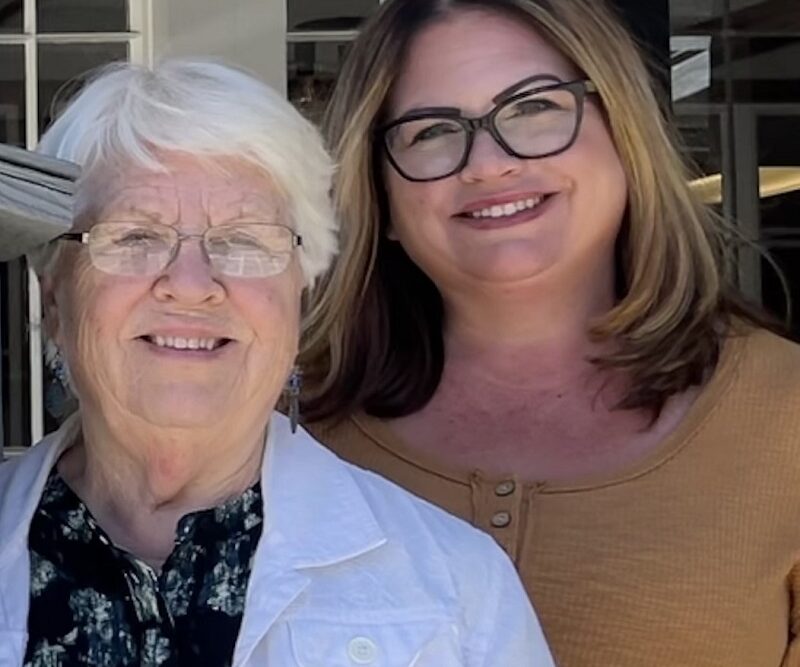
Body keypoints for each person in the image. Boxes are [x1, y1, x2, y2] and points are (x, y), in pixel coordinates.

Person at [0, 59, 553, 667]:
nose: (191, 285)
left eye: (243, 241)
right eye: (135, 237)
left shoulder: (457, 591)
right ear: (55, 296)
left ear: (300, 292)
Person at [301, 0, 800, 665]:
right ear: (381, 192)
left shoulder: (784, 414)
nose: (488, 163)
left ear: (625, 133)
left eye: (535, 107)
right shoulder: (284, 429)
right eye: (431, 130)